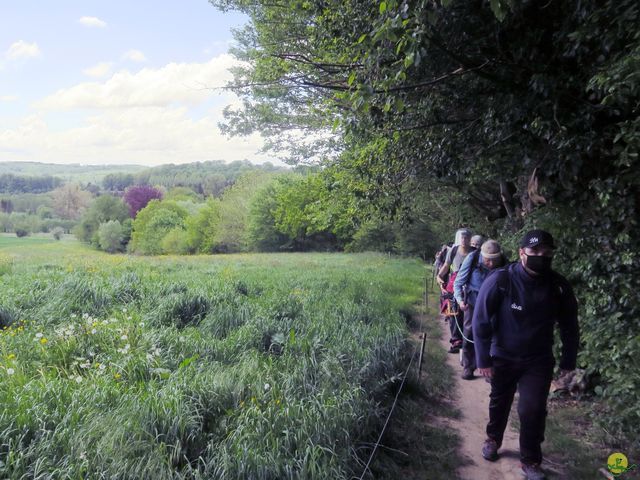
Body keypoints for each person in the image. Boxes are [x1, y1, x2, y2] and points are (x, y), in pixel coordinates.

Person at [472, 229, 579, 480]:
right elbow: (481, 321)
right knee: (500, 401)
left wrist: (568, 360)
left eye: (547, 252)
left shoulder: (559, 287)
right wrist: (483, 359)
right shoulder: (501, 280)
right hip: (503, 355)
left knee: (532, 409)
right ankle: (493, 438)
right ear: (522, 253)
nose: (541, 256)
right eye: (535, 252)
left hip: (538, 359)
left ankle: (531, 460)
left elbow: (570, 326)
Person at [453, 239, 506, 380]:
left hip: (495, 306)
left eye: (495, 260)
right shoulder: (473, 258)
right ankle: (469, 366)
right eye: (487, 260)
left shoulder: (504, 262)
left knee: (494, 335)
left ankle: (490, 369)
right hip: (473, 304)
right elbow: (458, 282)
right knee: (470, 333)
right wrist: (459, 301)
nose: (491, 264)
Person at [437, 228, 474, 353]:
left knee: (468, 315)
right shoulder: (453, 251)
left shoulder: (475, 253)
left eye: (466, 237)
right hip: (453, 285)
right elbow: (446, 266)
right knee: (453, 314)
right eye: (462, 237)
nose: (464, 240)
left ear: (470, 239)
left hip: (470, 287)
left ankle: (468, 342)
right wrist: (439, 276)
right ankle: (456, 341)